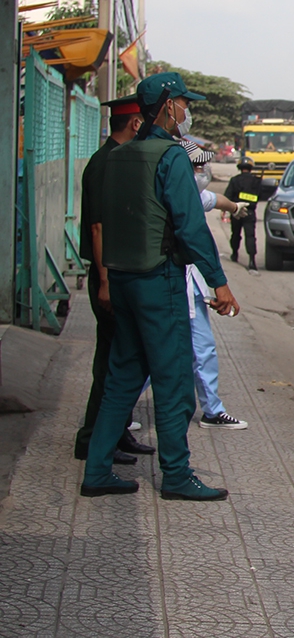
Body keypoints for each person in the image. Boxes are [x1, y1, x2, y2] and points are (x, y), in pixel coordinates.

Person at [81, 72, 240, 500]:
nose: (187, 112)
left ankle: (96, 470)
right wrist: (219, 283)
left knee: (122, 377)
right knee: (173, 382)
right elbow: (191, 228)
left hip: (124, 279)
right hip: (159, 280)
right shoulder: (170, 158)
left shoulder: (116, 157)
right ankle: (176, 475)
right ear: (168, 105)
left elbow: (108, 222)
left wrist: (108, 280)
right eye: (184, 104)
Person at [73, 96, 156, 465]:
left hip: (116, 271)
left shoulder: (116, 158)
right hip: (108, 274)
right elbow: (98, 226)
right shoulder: (108, 162)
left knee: (118, 358)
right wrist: (105, 283)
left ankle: (116, 433)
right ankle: (92, 439)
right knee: (110, 361)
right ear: (136, 125)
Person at [182, 140, 250, 430]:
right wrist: (219, 284)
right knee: (152, 354)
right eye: (197, 166)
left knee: (203, 348)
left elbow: (215, 199)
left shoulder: (193, 195)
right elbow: (200, 245)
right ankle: (116, 415)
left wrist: (235, 207)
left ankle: (212, 409)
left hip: (191, 287)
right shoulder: (174, 199)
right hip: (171, 285)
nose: (203, 171)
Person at [225, 158, 262, 270]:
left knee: (235, 234)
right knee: (250, 236)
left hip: (236, 211)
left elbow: (228, 196)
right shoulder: (256, 181)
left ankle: (234, 253)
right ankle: (252, 260)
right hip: (249, 212)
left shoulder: (234, 180)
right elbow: (259, 195)